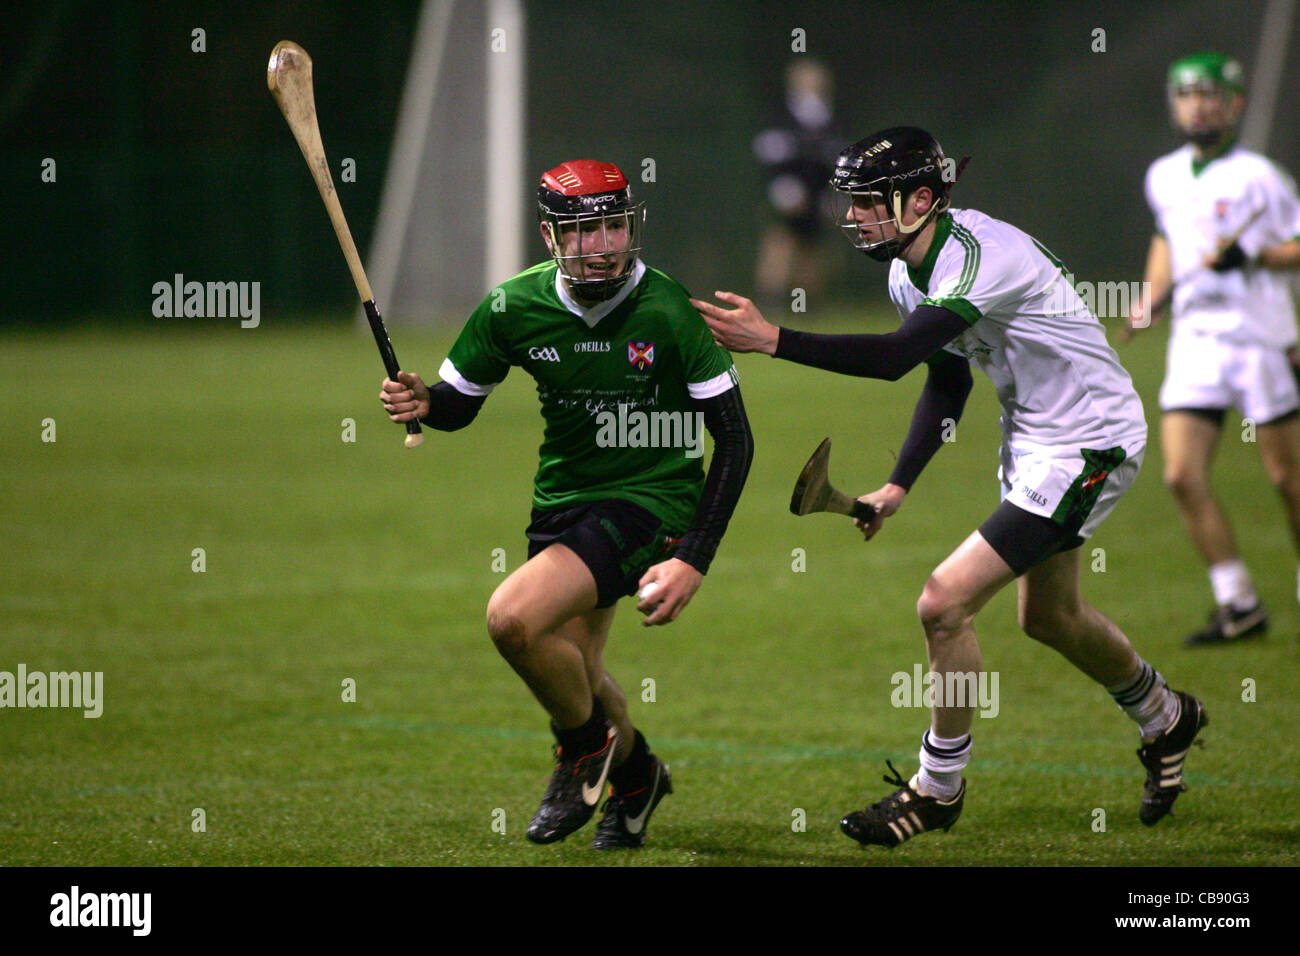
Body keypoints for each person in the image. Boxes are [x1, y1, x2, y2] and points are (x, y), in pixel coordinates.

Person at [694, 127, 1205, 846]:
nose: (856, 218)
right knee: (1049, 619)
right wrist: (899, 484)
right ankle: (1166, 716)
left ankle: (938, 787)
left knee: (943, 603)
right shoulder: (909, 268)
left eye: (871, 203)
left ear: (921, 200)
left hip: (1091, 439)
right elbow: (945, 373)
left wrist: (775, 340)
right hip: (1034, 440)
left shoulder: (980, 257)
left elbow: (896, 357)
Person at [381, 159, 753, 848]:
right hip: (562, 501)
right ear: (551, 237)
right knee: (579, 671)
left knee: (512, 621)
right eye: (585, 230)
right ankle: (638, 776)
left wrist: (694, 557)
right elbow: (459, 403)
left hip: (653, 502)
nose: (605, 243)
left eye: (615, 225)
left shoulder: (667, 308)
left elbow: (735, 440)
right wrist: (423, 402)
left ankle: (582, 751)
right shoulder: (513, 306)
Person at [1126, 52, 1300, 646]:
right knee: (1180, 475)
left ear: (1235, 105)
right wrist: (1150, 299)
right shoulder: (1164, 175)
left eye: (1210, 94)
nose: (1198, 104)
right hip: (1196, 342)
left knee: (1288, 479)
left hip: (1263, 341)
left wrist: (1253, 254)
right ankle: (1239, 602)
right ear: (1175, 105)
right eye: (1187, 94)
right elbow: (1166, 240)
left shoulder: (1261, 177)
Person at [752, 59, 842, 307]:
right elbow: (769, 150)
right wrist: (783, 186)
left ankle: (806, 304)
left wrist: (831, 190)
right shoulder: (781, 113)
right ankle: (770, 301)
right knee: (781, 241)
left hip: (817, 190)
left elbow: (833, 156)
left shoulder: (828, 115)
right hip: (789, 189)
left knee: (811, 247)